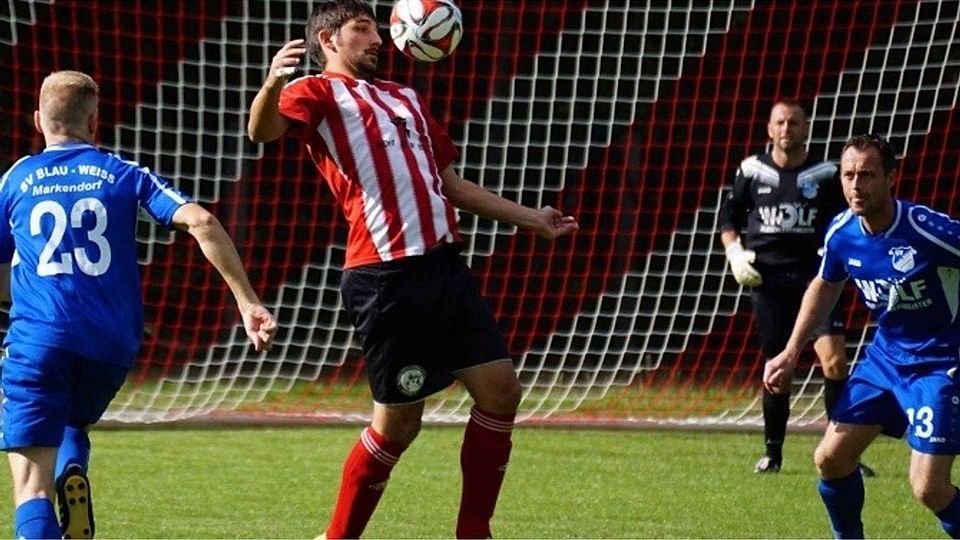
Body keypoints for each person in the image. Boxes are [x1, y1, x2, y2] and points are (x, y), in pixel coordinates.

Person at [247, 1, 578, 537]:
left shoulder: (406, 97)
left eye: (379, 29)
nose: (378, 39)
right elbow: (261, 132)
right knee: (400, 424)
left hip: (446, 265)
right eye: (363, 30)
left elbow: (451, 184)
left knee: (501, 391)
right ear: (329, 40)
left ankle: (474, 532)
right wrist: (269, 86)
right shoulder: (315, 91)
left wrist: (531, 219)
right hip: (386, 276)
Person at [0, 70, 278, 539]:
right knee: (72, 419)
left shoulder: (16, 179)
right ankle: (74, 469)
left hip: (38, 337)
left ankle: (54, 496)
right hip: (111, 343)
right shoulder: (124, 173)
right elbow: (203, 222)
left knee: (30, 487)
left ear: (37, 120)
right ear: (95, 121)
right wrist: (247, 302)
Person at [764, 134, 960, 538]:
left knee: (929, 488)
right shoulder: (841, 232)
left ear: (890, 178)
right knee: (830, 459)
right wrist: (791, 351)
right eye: (849, 175)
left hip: (940, 365)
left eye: (867, 175)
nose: (856, 185)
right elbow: (825, 285)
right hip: (885, 360)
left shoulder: (925, 229)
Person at [718, 100, 870, 474]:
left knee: (834, 362)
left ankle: (841, 452)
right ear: (770, 129)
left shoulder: (824, 174)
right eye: (780, 122)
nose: (787, 129)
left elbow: (846, 220)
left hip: (816, 282)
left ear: (806, 128)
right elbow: (728, 220)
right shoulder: (751, 171)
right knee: (778, 370)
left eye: (794, 122)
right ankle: (773, 452)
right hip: (769, 284)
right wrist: (736, 254)